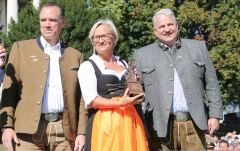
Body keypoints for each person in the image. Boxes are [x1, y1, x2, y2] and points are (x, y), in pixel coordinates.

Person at [0, 2, 88, 151]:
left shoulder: (76, 56)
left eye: (52, 20)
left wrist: (82, 132)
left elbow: (81, 99)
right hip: (27, 133)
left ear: (63, 22)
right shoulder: (20, 48)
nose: (47, 24)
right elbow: (9, 92)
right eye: (43, 20)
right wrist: (6, 126)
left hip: (65, 133)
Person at [133, 8, 222, 150]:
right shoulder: (141, 55)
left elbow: (212, 84)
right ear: (155, 31)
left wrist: (215, 115)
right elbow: (136, 95)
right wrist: (140, 122)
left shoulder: (198, 48)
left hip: (194, 124)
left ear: (177, 26)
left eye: (170, 25)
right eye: (162, 26)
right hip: (158, 127)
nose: (167, 29)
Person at [78, 19, 148, 151]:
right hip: (105, 123)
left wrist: (134, 85)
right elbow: (92, 101)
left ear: (114, 38)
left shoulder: (124, 64)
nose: (100, 40)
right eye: (96, 37)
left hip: (130, 120)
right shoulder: (88, 66)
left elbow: (133, 97)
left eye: (104, 36)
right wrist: (121, 103)